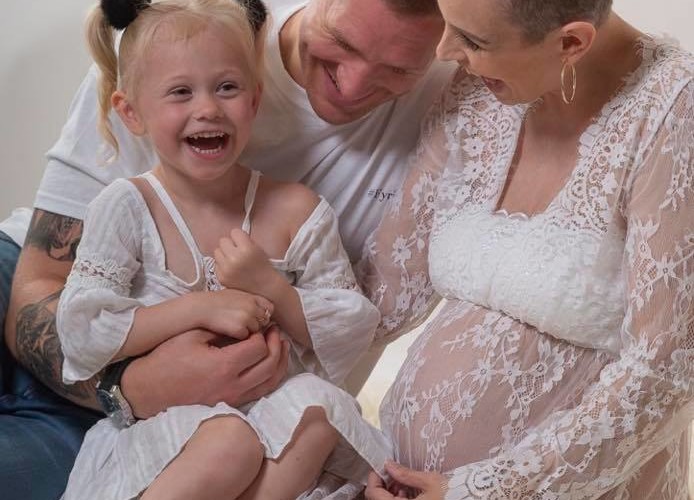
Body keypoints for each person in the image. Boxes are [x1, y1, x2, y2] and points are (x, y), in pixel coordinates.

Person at [0, 0, 452, 497]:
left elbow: (349, 327)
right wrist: (194, 313)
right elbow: (80, 325)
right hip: (55, 319)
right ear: (130, 112)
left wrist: (273, 289)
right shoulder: (129, 200)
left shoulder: (299, 209)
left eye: (227, 89)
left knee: (319, 415)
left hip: (242, 405)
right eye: (181, 92)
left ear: (255, 100)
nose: (208, 109)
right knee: (228, 443)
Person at [357, 0, 693, 498]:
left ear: (571, 42)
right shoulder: (483, 83)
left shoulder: (675, 110)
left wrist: (480, 492)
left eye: (473, 41)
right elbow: (385, 294)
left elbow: (666, 370)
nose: (444, 52)